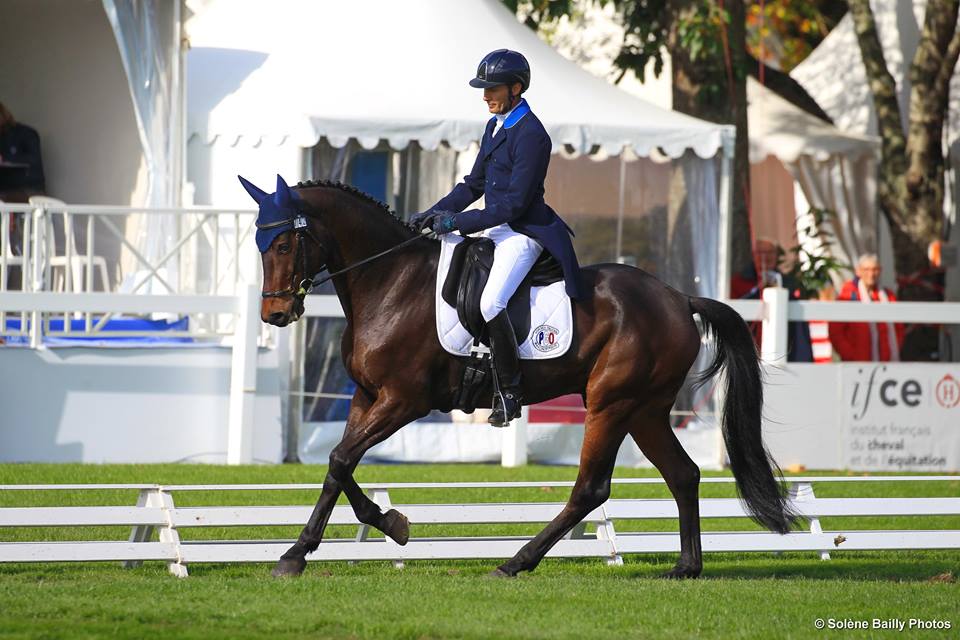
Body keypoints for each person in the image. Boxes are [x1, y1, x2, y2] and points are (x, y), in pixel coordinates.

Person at [410, 49, 583, 427]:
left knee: (491, 302)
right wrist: (434, 212)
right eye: (483, 88)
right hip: (494, 225)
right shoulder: (495, 126)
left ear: (516, 88)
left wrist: (457, 221)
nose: (486, 95)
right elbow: (473, 184)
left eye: (492, 89)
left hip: (524, 230)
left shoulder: (532, 135)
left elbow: (514, 205)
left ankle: (509, 392)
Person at [731, 237, 813, 362]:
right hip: (748, 348)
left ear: (776, 256)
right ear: (753, 255)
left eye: (770, 253)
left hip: (784, 347)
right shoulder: (738, 282)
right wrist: (756, 290)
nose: (766, 257)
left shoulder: (789, 282)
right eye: (761, 253)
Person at [830, 254, 904, 362]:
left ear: (880, 271)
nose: (871, 274)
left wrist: (895, 347)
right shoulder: (847, 296)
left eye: (875, 269)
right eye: (866, 269)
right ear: (858, 271)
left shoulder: (888, 296)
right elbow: (836, 332)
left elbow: (899, 328)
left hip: (887, 362)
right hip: (857, 363)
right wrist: (850, 355)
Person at [0, 101, 46, 198]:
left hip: (29, 189)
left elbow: (34, 160)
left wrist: (5, 159)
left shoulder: (25, 133)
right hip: (6, 189)